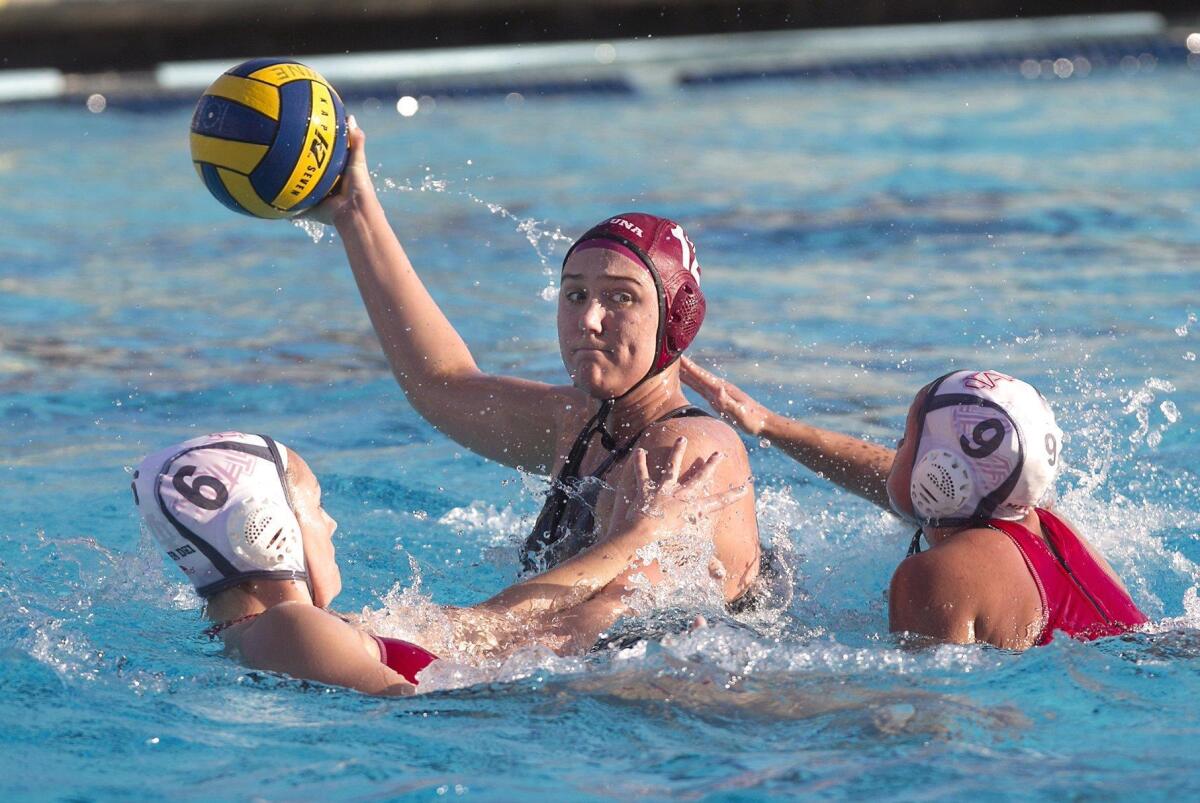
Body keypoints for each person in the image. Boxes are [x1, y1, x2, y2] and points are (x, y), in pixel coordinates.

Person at [310, 118, 761, 619]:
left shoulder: (683, 454)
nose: (589, 319)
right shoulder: (582, 423)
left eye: (620, 298)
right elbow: (440, 383)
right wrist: (355, 215)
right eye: (575, 295)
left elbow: (581, 626)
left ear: (676, 319)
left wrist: (398, 634)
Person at [132, 431, 743, 696]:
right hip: (557, 707)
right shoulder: (290, 628)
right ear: (265, 530)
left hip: (548, 675)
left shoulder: (285, 634)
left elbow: (482, 626)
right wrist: (636, 540)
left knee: (621, 600)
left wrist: (621, 555)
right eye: (317, 507)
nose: (332, 524)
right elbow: (450, 708)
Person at [680, 361, 1147, 649]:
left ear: (938, 473)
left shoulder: (937, 575)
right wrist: (769, 425)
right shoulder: (1049, 526)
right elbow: (895, 478)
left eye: (906, 440)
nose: (893, 449)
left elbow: (918, 720)